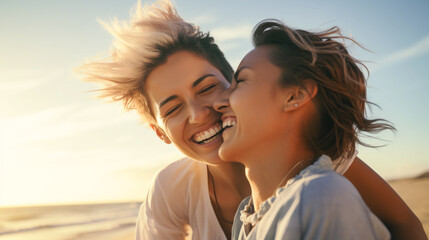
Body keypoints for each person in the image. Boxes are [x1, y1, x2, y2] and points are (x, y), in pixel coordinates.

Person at [78, 1, 426, 239]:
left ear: (232, 85)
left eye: (207, 87)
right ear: (160, 133)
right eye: (171, 109)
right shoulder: (177, 191)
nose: (199, 114)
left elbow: (405, 225)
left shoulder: (321, 176)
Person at [212, 19, 421, 239]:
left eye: (241, 81)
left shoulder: (322, 196)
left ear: (296, 96)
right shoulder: (243, 220)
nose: (219, 102)